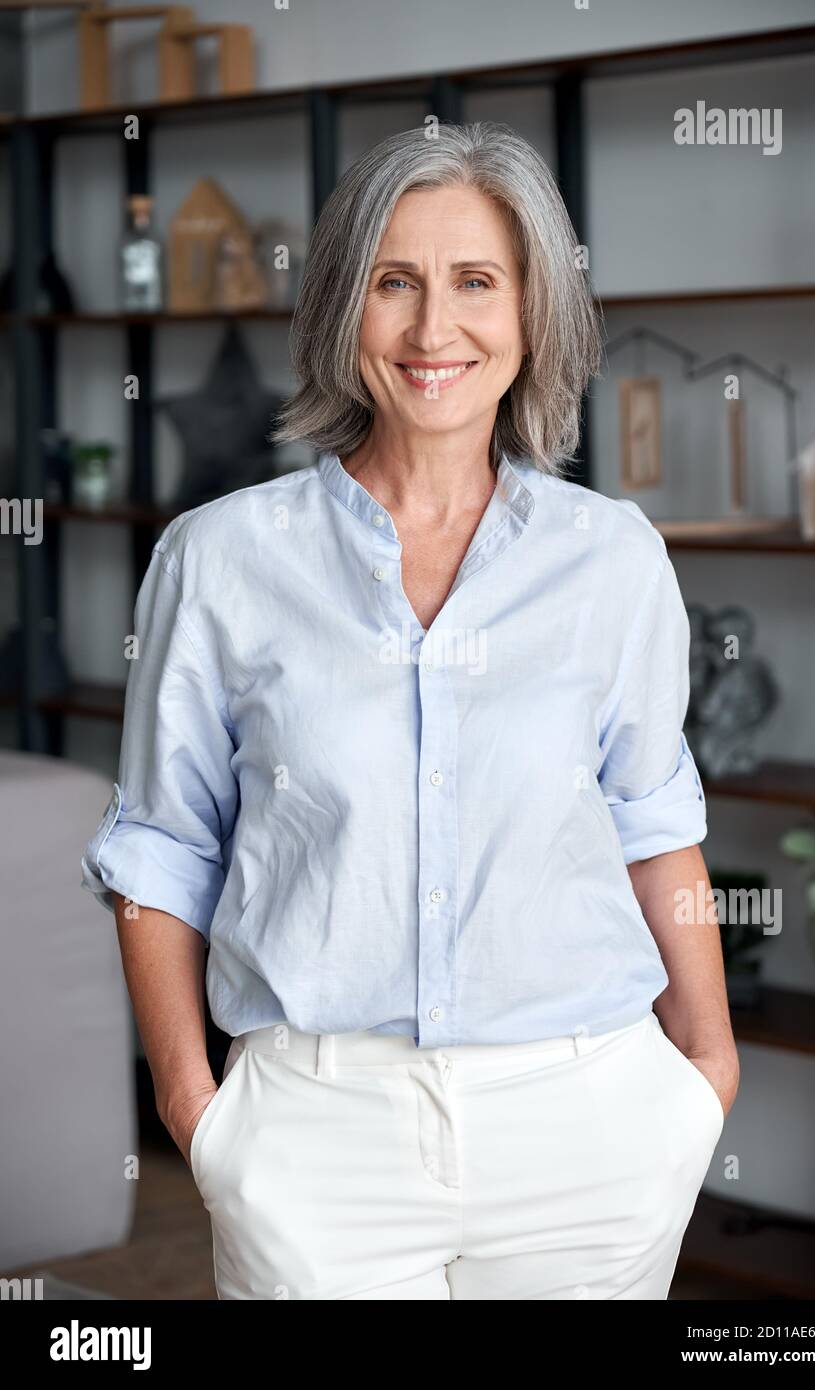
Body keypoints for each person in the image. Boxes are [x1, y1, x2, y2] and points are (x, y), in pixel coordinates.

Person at [81, 121, 739, 1301]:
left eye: (475, 283)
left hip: (585, 1129)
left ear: (533, 311)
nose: (434, 331)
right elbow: (162, 850)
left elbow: (651, 818)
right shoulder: (218, 559)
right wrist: (196, 1108)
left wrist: (705, 1075)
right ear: (344, 308)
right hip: (314, 1137)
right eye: (394, 282)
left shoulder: (613, 560)